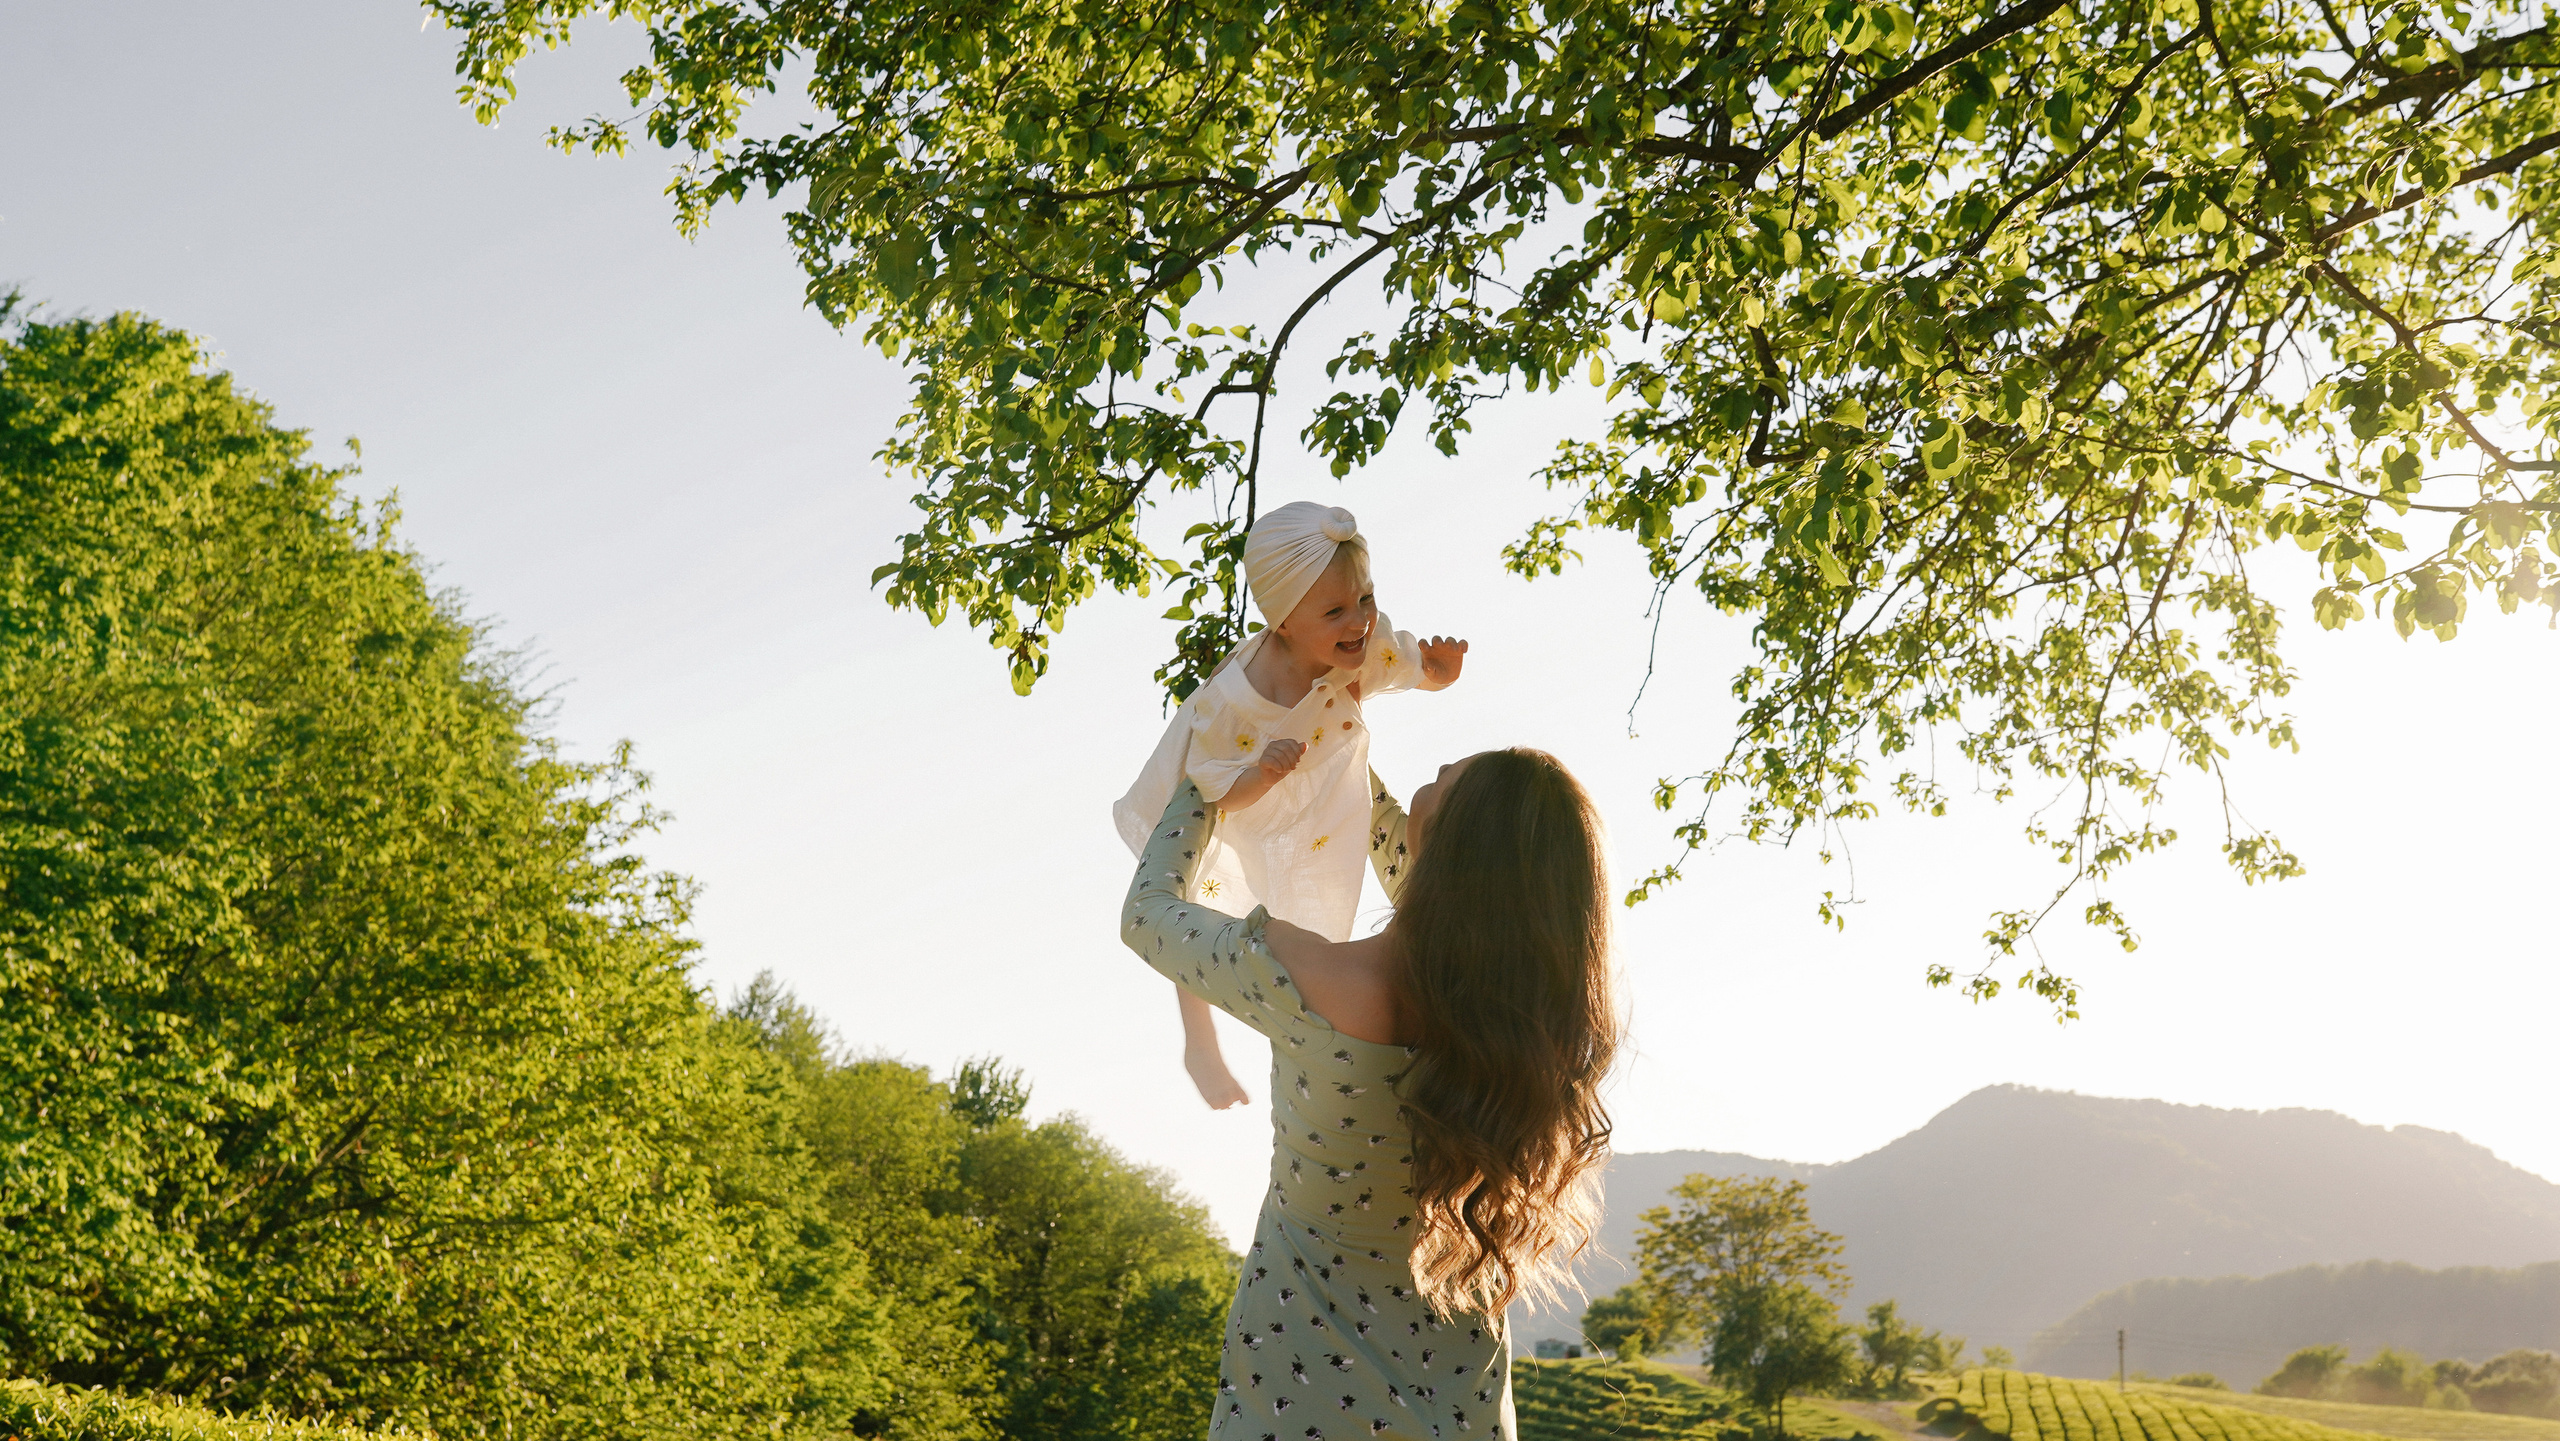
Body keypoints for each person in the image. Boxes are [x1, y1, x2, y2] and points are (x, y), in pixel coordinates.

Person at [1121, 749, 1621, 1440]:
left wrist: (1205, 785)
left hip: (1298, 1404)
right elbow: (1413, 853)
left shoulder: (1313, 976)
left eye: (1444, 779)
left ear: (1448, 833)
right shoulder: (1520, 1037)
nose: (1431, 776)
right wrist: (1334, 738)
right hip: (1461, 1414)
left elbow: (1148, 913)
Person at [1114, 501, 1467, 1109]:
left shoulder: (1364, 644)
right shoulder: (1236, 700)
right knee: (1202, 903)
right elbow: (1213, 788)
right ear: (1282, 623)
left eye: (1365, 598)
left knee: (1316, 909)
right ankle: (1200, 1044)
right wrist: (1260, 775)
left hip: (1319, 789)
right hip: (1240, 794)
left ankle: (1319, 1026)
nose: (1359, 620)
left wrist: (1440, 671)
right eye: (1335, 611)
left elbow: (1409, 667)